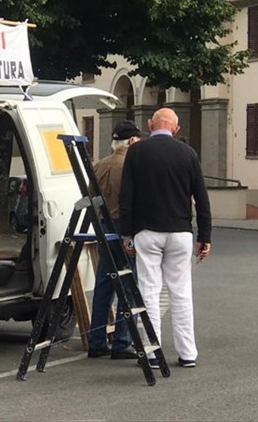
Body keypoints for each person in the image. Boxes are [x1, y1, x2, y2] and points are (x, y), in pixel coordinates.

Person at [119, 108, 212, 369]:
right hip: (180, 232)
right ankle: (187, 353)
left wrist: (127, 234)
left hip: (147, 232)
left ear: (150, 125)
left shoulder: (137, 152)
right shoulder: (189, 153)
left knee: (149, 291)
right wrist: (205, 236)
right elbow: (202, 199)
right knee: (181, 293)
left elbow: (127, 197)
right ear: (176, 129)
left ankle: (151, 352)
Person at [87, 121, 143, 360]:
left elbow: (89, 195)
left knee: (104, 285)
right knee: (128, 285)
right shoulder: (132, 165)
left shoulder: (100, 164)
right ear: (131, 141)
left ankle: (96, 341)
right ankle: (122, 341)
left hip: (103, 226)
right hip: (125, 227)